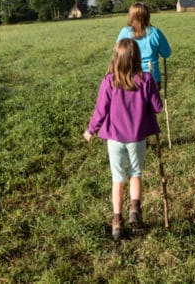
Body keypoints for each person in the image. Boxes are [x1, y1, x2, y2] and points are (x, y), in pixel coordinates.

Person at [83, 38, 163, 241]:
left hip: (115, 138)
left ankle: (117, 223)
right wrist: (153, 87)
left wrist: (91, 130)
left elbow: (100, 111)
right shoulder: (146, 79)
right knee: (135, 173)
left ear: (116, 58)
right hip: (137, 137)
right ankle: (135, 210)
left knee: (117, 179)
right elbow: (158, 108)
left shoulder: (109, 81)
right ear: (137, 57)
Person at [116, 2, 171, 85]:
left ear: (130, 16)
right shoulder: (155, 32)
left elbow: (117, 54)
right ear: (147, 15)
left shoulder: (124, 32)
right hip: (152, 77)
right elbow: (166, 53)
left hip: (128, 77)